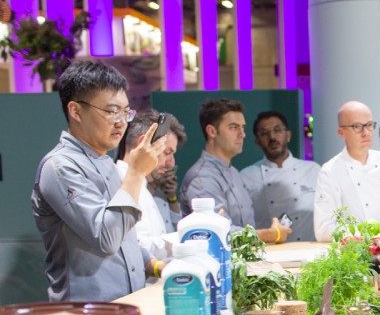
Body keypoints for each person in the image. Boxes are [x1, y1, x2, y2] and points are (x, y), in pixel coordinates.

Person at [32, 60, 165, 302]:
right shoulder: (60, 167)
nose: (121, 121)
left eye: (126, 112)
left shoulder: (104, 161)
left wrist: (158, 267)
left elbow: (126, 240)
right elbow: (107, 238)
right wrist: (135, 173)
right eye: (111, 111)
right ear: (76, 110)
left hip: (129, 304)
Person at [180, 98, 290, 243]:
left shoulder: (234, 173)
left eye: (242, 127)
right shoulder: (202, 178)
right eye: (233, 127)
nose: (242, 134)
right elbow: (217, 234)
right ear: (212, 131)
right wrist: (271, 234)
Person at [314, 100, 380, 242]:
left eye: (369, 125)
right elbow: (323, 230)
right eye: (357, 127)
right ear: (341, 132)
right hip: (358, 252)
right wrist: (364, 235)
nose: (366, 133)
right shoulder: (331, 171)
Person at [116, 109, 186, 280]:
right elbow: (135, 244)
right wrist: (189, 236)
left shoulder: (142, 185)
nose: (171, 163)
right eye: (167, 152)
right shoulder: (120, 181)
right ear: (143, 144)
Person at [241, 110, 320, 241]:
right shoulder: (246, 176)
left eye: (277, 130)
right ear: (257, 141)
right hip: (270, 254)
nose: (272, 137)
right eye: (264, 133)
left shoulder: (313, 170)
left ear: (288, 135)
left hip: (310, 251)